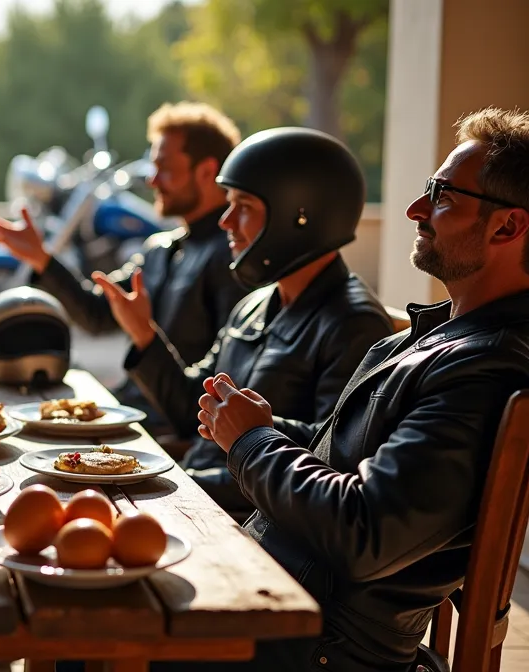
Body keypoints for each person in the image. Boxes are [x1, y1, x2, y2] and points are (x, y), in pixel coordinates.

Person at [191, 107, 529, 670]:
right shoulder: (433, 340)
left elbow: (366, 532)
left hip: (308, 643)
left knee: (82, 639)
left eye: (442, 195)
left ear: (507, 227)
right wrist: (262, 427)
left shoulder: (484, 371)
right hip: (271, 597)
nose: (415, 210)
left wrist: (252, 443)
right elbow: (348, 456)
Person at [93, 127, 393, 521]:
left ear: (299, 216)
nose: (226, 221)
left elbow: (327, 465)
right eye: (228, 204)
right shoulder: (254, 305)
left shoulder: (353, 325)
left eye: (244, 207)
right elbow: (190, 410)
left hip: (241, 525)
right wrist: (144, 334)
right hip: (197, 498)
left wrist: (183, 479)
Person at [0, 101, 248, 441]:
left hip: (171, 437)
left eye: (164, 168)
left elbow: (218, 398)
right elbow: (96, 314)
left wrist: (144, 337)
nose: (152, 180)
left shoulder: (233, 260)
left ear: (207, 172)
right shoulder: (161, 248)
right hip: (129, 415)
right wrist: (41, 258)